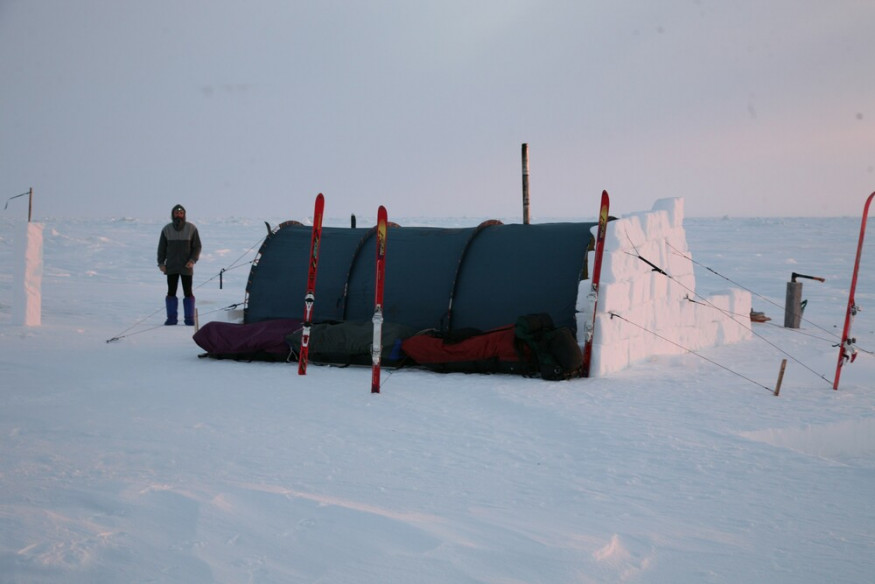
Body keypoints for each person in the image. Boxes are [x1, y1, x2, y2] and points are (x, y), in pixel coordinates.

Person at [157, 204, 202, 325]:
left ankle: (189, 319)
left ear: (184, 215)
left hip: (186, 266)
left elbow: (197, 246)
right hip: (171, 266)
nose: (179, 215)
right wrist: (161, 263)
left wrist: (192, 260)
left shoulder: (191, 228)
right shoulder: (166, 229)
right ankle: (171, 319)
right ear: (173, 215)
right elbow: (161, 248)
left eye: (181, 213)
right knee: (171, 291)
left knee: (188, 292)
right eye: (176, 213)